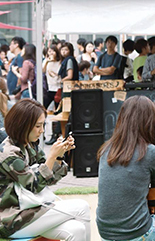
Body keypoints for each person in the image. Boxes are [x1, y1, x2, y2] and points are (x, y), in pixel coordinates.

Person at [0, 99, 89, 240]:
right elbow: (34, 185)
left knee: (77, 229)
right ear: (22, 125)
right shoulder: (8, 153)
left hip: (31, 211)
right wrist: (52, 155)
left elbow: (48, 180)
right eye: (38, 126)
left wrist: (58, 157)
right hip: (11, 220)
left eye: (42, 125)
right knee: (81, 207)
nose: (42, 131)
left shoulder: (30, 145)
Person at [97, 95, 155, 241]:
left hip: (105, 231)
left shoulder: (107, 150)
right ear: (150, 121)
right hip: (136, 232)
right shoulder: (152, 152)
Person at [42, 45, 61, 109]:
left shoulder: (60, 62)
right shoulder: (46, 61)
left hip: (58, 88)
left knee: (57, 107)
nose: (51, 53)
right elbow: (42, 71)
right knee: (43, 106)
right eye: (49, 51)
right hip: (50, 87)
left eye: (53, 51)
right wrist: (47, 61)